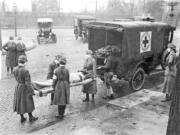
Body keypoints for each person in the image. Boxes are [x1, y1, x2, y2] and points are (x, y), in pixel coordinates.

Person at [13, 55, 38, 123]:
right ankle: (31, 117)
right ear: (24, 62)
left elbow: (16, 78)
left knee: (19, 102)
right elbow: (28, 83)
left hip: (18, 87)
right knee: (28, 102)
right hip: (24, 88)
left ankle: (22, 118)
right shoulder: (25, 70)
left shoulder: (14, 69)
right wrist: (32, 91)